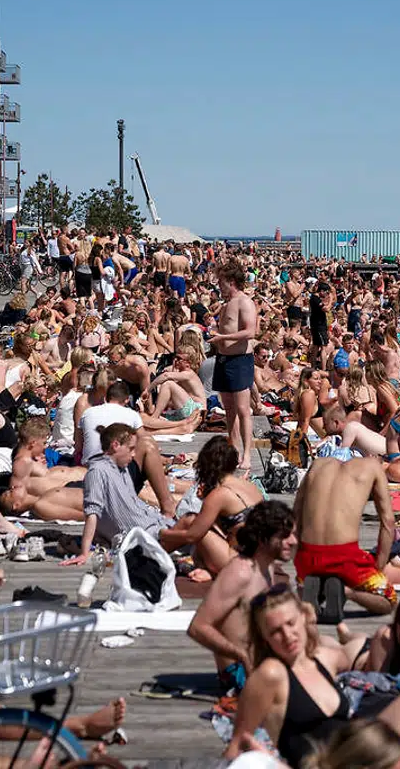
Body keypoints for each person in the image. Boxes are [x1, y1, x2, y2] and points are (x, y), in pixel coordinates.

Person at [222, 587, 400, 769]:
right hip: (319, 765)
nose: (287, 636)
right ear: (264, 639)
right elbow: (237, 746)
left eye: (291, 624)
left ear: (303, 616)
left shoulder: (323, 659)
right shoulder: (271, 674)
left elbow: (356, 660)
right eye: (275, 632)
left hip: (352, 751)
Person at [187, 500, 298, 694]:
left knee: (338, 653)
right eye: (284, 536)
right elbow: (198, 627)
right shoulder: (240, 572)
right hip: (240, 672)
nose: (293, 541)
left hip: (265, 661)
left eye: (293, 535)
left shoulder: (267, 566)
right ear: (263, 539)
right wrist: (239, 654)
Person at [292, 455, 397, 615]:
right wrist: (378, 568)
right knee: (389, 600)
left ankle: (310, 587)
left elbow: (296, 514)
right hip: (345, 557)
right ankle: (345, 592)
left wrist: (298, 558)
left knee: (307, 582)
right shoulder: (373, 467)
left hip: (309, 556)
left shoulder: (318, 464)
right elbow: (388, 522)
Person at [63, 420, 175, 566]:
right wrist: (85, 553)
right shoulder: (97, 471)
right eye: (131, 448)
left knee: (193, 525)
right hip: (142, 535)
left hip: (154, 525)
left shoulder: (122, 469)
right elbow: (92, 513)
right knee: (193, 532)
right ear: (115, 445)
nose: (134, 454)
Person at [159, 436, 264, 572]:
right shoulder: (250, 487)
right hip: (259, 559)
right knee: (200, 526)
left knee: (189, 520)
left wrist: (163, 534)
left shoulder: (220, 494)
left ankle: (151, 554)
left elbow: (193, 535)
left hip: (236, 562)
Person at [212, 261, 258, 464]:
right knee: (229, 408)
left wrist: (222, 338)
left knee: (242, 409)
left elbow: (251, 331)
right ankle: (234, 448)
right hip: (224, 359)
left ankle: (247, 454)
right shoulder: (226, 304)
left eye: (221, 282)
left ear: (231, 282)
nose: (218, 286)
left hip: (239, 360)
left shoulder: (244, 302)